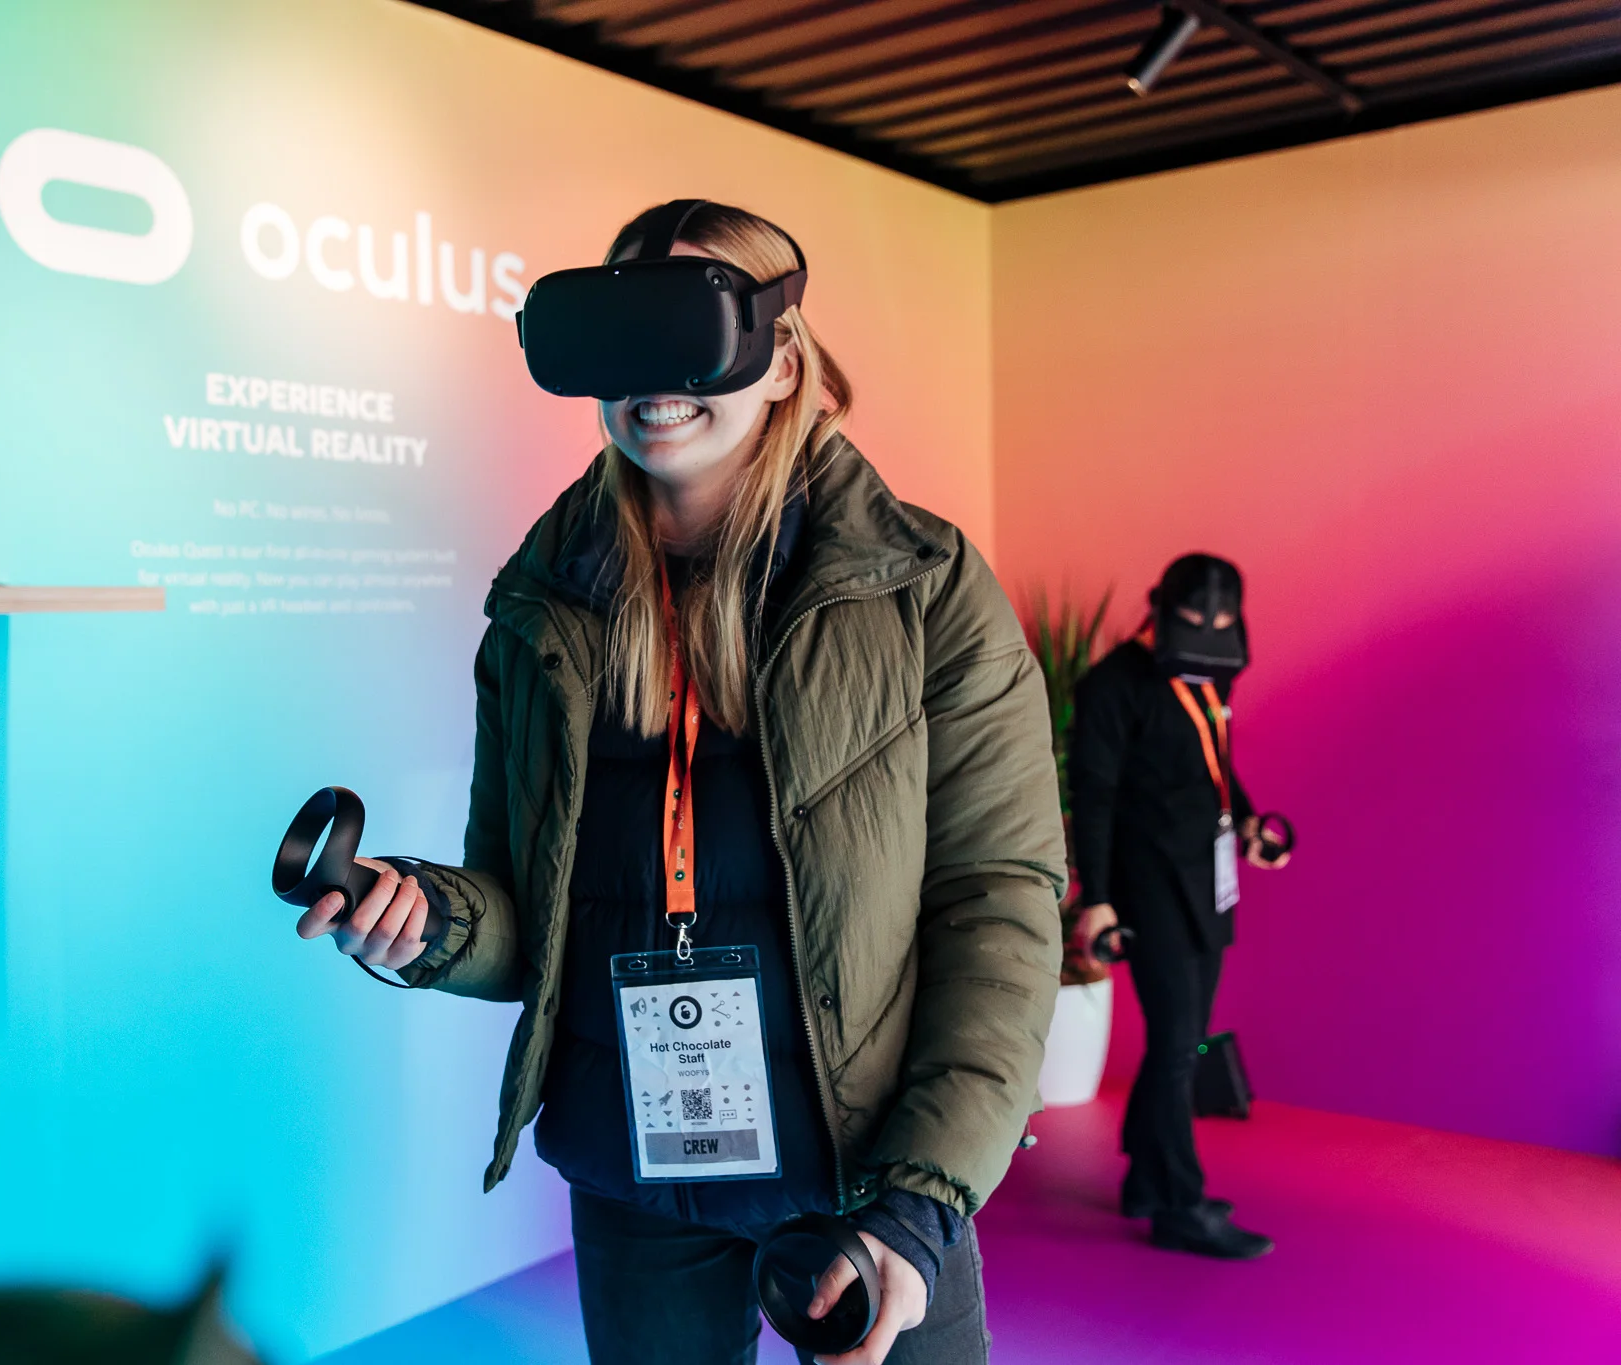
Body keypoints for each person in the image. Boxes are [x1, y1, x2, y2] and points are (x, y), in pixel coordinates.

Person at [294, 200, 1065, 1365]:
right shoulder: (540, 611)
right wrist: (426, 920)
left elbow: (996, 903)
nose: (651, 380)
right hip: (635, 1170)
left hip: (869, 1172)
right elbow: (523, 913)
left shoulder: (923, 588)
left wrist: (918, 1206)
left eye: (686, 331)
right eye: (621, 335)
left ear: (782, 359)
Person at [1066, 553, 1291, 1260]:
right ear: (1159, 606)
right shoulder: (1111, 686)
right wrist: (1098, 901)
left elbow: (1213, 762)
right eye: (1194, 622)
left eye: (1221, 625)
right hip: (1148, 885)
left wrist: (1247, 824)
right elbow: (1093, 797)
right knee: (1173, 1045)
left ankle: (1144, 1176)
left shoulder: (1207, 670)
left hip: (1206, 878)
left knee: (1185, 1038)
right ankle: (1180, 1205)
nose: (1207, 637)